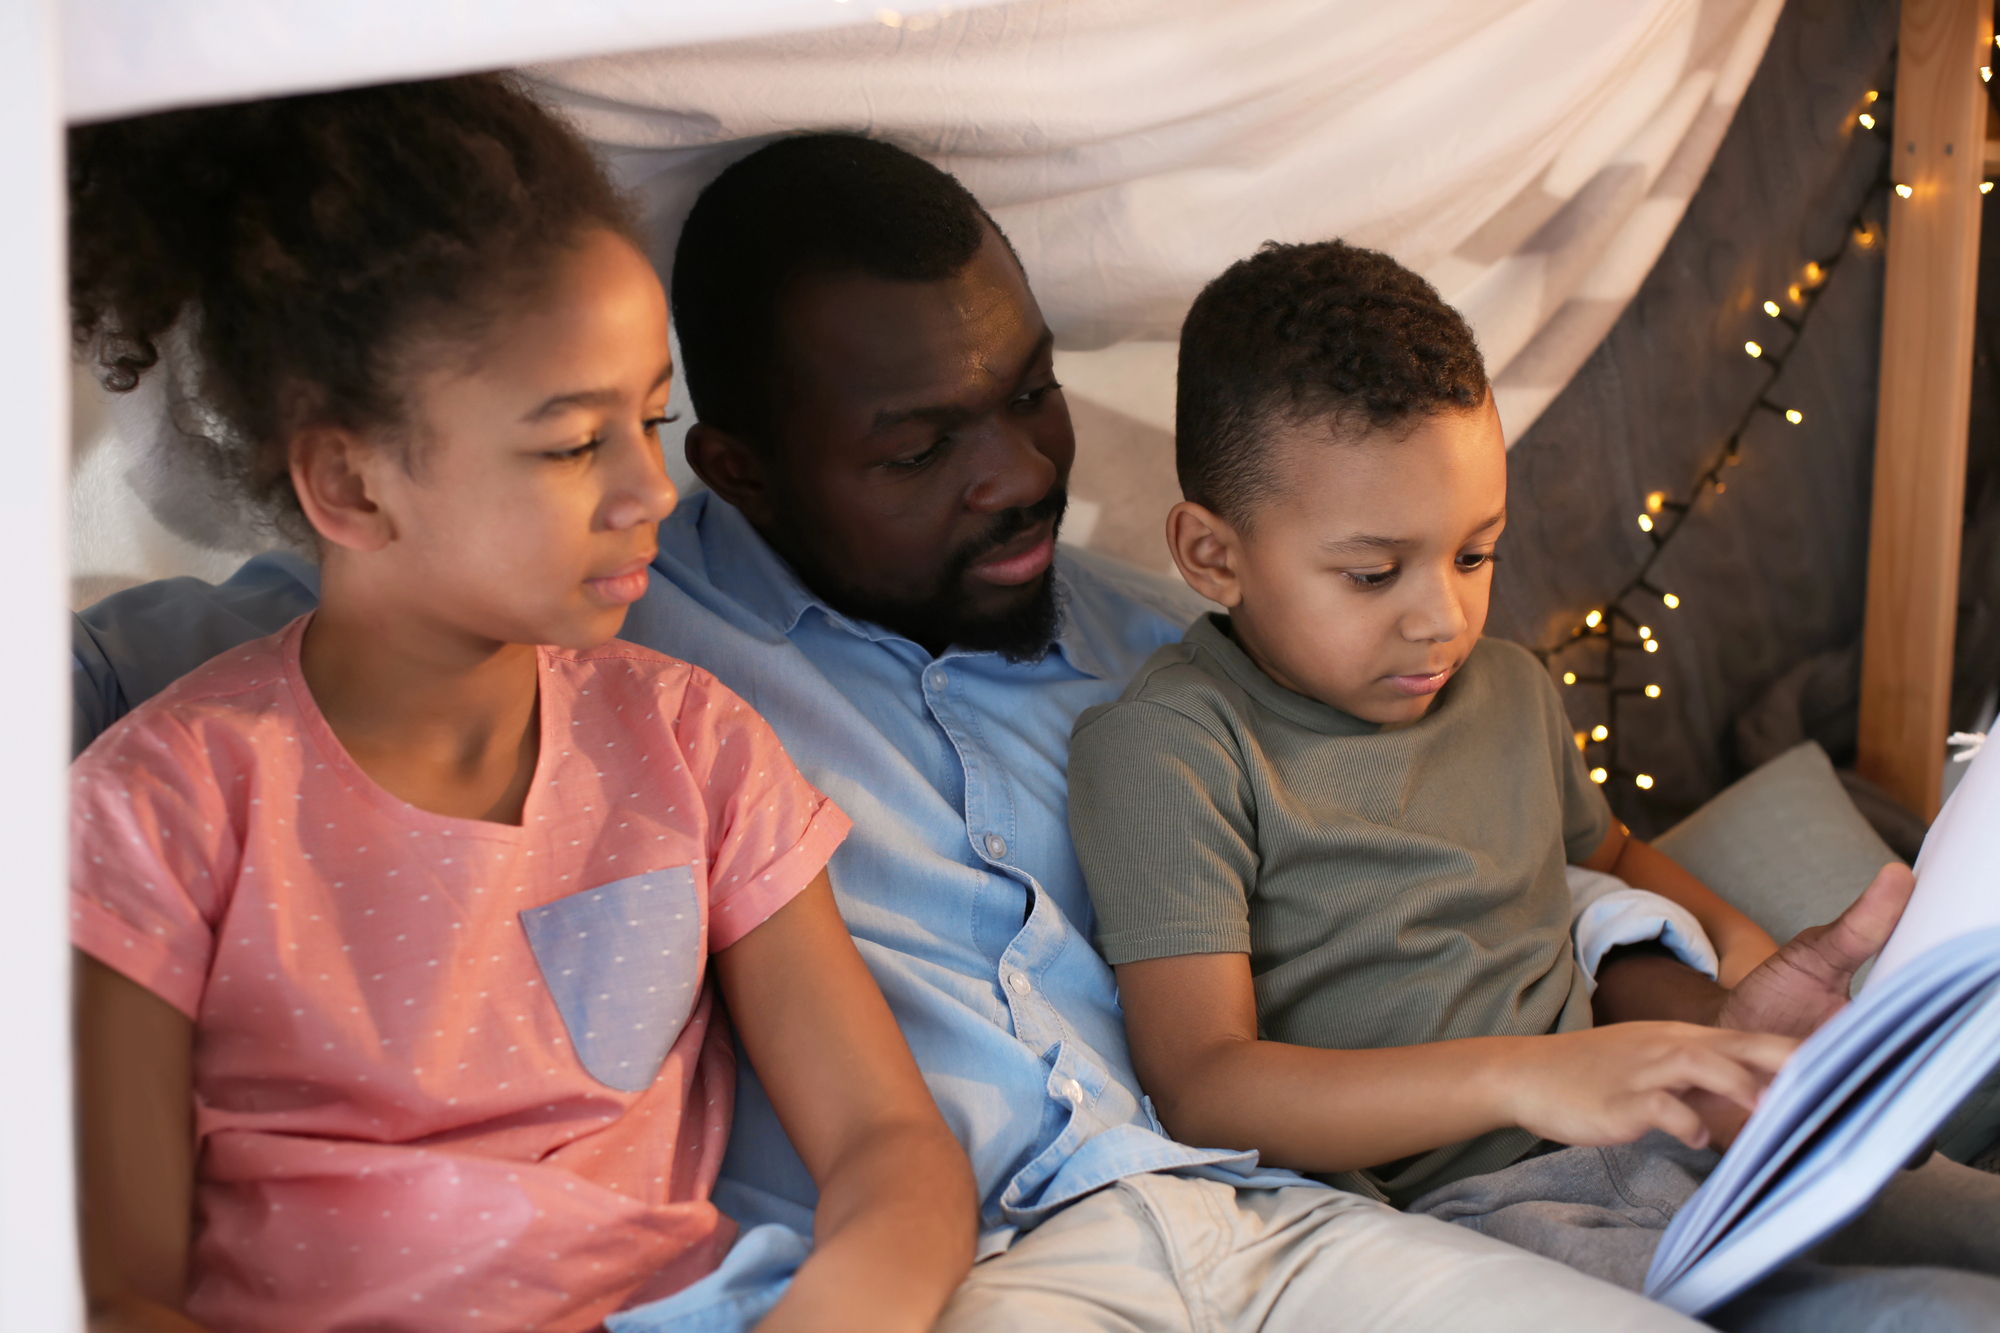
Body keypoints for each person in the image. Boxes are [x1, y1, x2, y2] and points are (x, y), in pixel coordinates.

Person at [71, 134, 1895, 1333]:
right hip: (1001, 1277)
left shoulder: (1185, 635)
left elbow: (1456, 881)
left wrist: (1715, 986)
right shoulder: (631, 627)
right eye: (917, 444)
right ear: (749, 468)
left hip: (1253, 1212)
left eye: (1025, 391)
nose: (1020, 467)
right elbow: (256, 682)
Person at [66, 85, 973, 1333]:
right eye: (568, 446)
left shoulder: (694, 746)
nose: (649, 490)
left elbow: (890, 1147)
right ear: (348, 479)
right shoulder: (156, 807)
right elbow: (115, 1295)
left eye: (652, 419)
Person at [1064, 238, 2000, 1326]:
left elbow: (1603, 856)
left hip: (1672, 1135)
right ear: (1212, 555)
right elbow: (1203, 1081)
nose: (1439, 618)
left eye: (1474, 553)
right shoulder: (1171, 745)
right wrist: (1529, 1076)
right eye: (1372, 573)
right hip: (1480, 1215)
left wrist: (1740, 983)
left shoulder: (1504, 690)